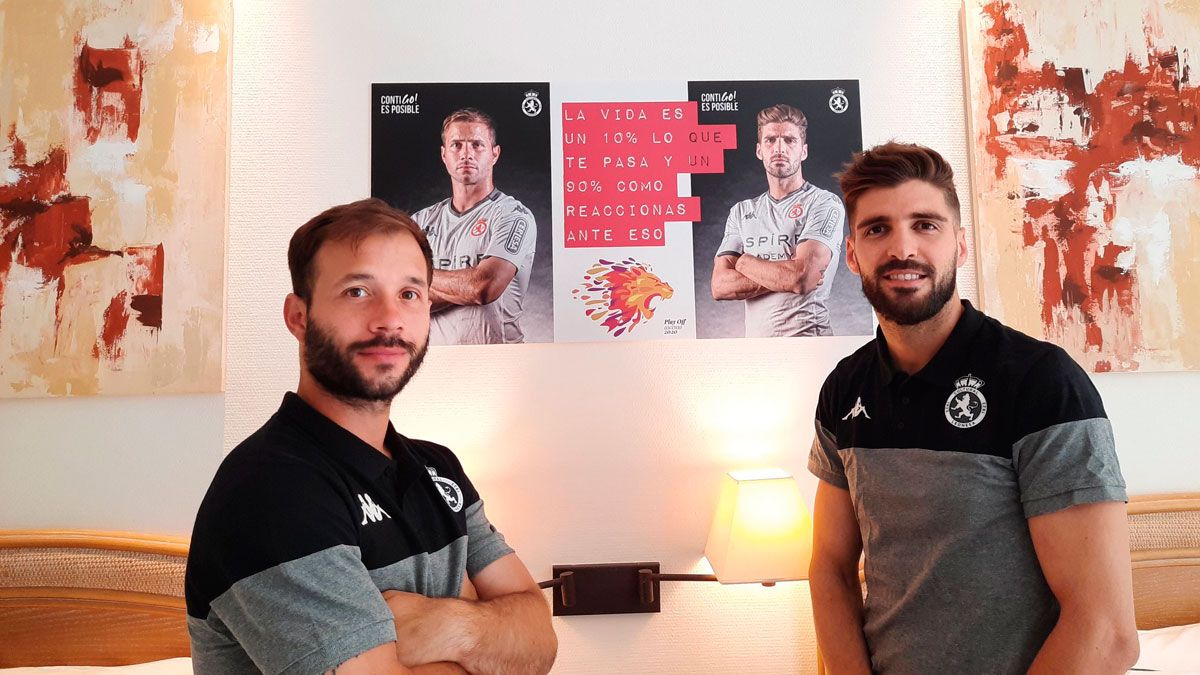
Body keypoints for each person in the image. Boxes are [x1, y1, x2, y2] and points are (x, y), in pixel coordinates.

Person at [185, 199, 556, 674]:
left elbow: (539, 641)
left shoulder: (438, 467)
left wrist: (438, 623)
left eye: (410, 294)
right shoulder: (269, 490)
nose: (389, 320)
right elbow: (515, 641)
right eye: (358, 291)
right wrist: (486, 627)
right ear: (299, 317)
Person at [807, 143, 1138, 674]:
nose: (903, 248)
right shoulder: (845, 388)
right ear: (851, 254)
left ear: (960, 244)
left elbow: (1107, 632)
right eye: (877, 229)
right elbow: (830, 568)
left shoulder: (1042, 383)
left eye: (925, 225)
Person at [711, 104, 845, 337]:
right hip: (758, 353)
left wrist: (745, 263)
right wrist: (788, 274)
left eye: (790, 140)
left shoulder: (824, 202)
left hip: (810, 345)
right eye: (770, 140)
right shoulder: (741, 212)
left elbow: (803, 278)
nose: (779, 148)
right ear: (759, 150)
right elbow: (720, 286)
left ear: (803, 151)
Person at [412, 108, 536, 345]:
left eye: (477, 145)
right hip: (439, 364)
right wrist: (462, 285)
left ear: (494, 154)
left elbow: (484, 287)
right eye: (456, 145)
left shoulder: (513, 216)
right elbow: (399, 298)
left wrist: (415, 281)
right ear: (444, 154)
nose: (466, 154)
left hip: (501, 362)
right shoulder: (420, 222)